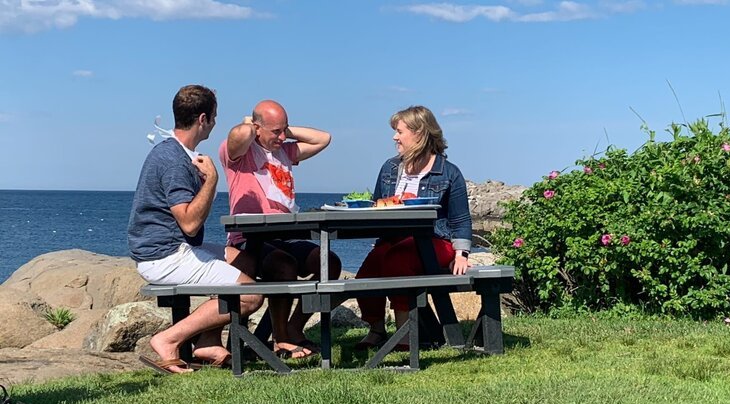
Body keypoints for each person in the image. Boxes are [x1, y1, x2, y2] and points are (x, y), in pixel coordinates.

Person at [128, 85, 263, 374]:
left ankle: (208, 342)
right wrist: (212, 181)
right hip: (165, 255)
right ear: (203, 119)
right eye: (214, 117)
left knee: (244, 259)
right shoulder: (176, 161)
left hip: (171, 246)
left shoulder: (172, 152)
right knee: (252, 295)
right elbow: (189, 222)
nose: (215, 123)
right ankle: (168, 340)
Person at [219, 100, 341, 359]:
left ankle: (294, 328)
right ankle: (281, 338)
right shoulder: (240, 154)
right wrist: (252, 127)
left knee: (328, 262)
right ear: (256, 128)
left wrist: (283, 130)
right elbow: (237, 136)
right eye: (276, 131)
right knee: (283, 265)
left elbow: (324, 139)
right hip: (247, 239)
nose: (282, 137)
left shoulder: (285, 151)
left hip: (285, 235)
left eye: (284, 130)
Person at [354, 105, 472, 351]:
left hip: (435, 241)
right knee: (367, 272)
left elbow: (460, 219)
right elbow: (377, 205)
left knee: (398, 261)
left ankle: (405, 337)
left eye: (399, 131)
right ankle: (377, 330)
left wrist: (461, 253)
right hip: (393, 238)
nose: (394, 137)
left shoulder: (448, 172)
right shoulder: (389, 168)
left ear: (419, 133)